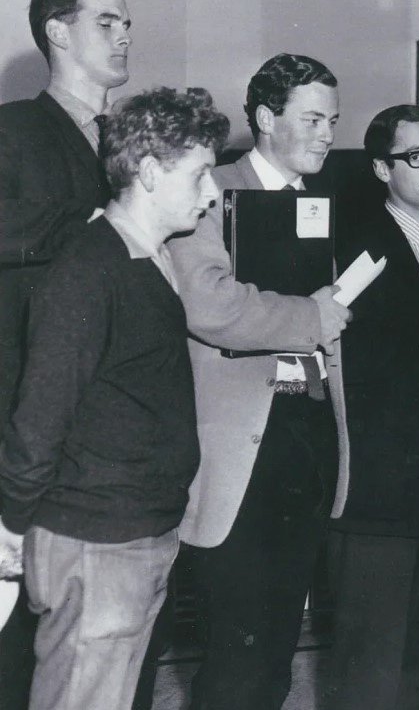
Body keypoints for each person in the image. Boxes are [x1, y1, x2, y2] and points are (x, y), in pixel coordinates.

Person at [0, 86, 228, 710]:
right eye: (201, 173)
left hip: (140, 531)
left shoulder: (149, 260)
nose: (212, 193)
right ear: (150, 172)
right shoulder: (88, 271)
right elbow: (40, 417)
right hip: (96, 540)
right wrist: (10, 525)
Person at [167, 53, 351, 710]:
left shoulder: (318, 203)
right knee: (235, 664)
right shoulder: (208, 188)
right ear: (267, 119)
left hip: (307, 439)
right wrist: (313, 316)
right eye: (312, 119)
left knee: (275, 656)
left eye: (333, 119)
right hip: (243, 453)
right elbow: (210, 305)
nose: (328, 133)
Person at [0, 0, 131, 700]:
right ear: (57, 30)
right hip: (28, 419)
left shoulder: (133, 140)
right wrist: (87, 227)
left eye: (126, 23)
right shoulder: (13, 129)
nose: (124, 35)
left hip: (112, 435)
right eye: (106, 21)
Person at [325, 104, 419, 710]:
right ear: (383, 169)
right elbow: (349, 344)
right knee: (373, 671)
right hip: (382, 495)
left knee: (413, 659)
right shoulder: (367, 245)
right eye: (417, 157)